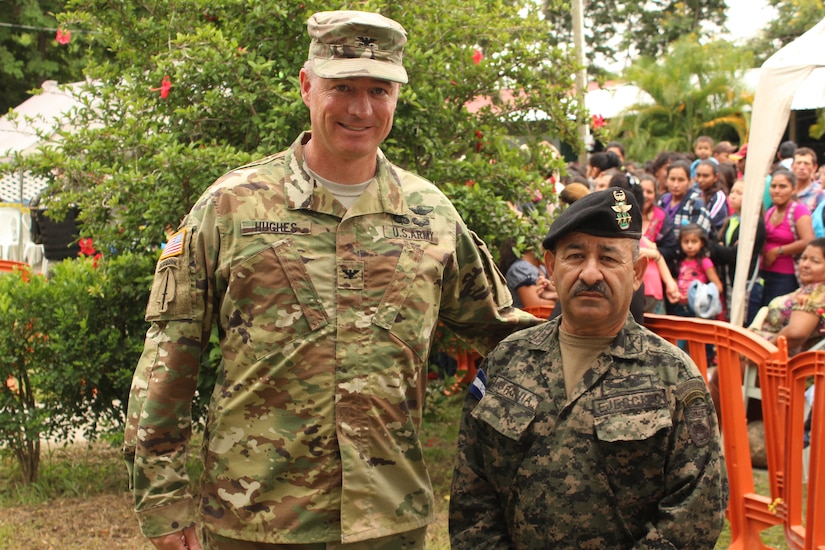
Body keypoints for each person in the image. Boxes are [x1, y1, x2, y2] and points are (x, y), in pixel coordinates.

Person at [122, 11, 541, 550]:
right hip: (256, 519)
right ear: (306, 86)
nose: (360, 108)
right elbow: (168, 360)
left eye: (378, 90)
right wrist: (162, 500)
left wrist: (612, 350)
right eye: (342, 87)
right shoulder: (231, 207)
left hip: (389, 521)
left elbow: (505, 335)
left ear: (395, 97)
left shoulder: (430, 215)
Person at [448, 188, 728, 548]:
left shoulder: (672, 375)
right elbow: (472, 495)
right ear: (550, 266)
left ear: (638, 272)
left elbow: (694, 511)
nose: (591, 273)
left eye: (610, 258)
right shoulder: (506, 362)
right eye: (575, 256)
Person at [711, 178, 767, 324]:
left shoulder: (755, 223)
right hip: (730, 280)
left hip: (747, 283)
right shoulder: (731, 220)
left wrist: (720, 248)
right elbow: (718, 253)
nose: (733, 196)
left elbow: (736, 255)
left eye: (739, 193)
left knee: (746, 323)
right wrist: (722, 249)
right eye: (733, 191)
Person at [760, 168, 814, 308]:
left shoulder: (798, 210)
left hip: (786, 276)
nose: (777, 190)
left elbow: (808, 240)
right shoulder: (770, 211)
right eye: (773, 186)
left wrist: (778, 251)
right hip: (765, 273)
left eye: (782, 186)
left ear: (793, 189)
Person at [657, 160, 712, 273]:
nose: (675, 184)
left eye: (681, 180)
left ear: (689, 181)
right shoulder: (662, 201)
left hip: (687, 266)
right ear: (666, 180)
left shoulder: (696, 203)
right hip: (663, 260)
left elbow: (700, 236)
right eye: (672, 179)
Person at [672, 223, 724, 319]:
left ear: (702, 243)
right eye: (686, 242)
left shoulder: (705, 262)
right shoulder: (679, 262)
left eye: (694, 241)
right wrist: (676, 293)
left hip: (699, 308)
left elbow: (718, 287)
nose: (690, 246)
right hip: (681, 307)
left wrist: (698, 294)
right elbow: (675, 280)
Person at [694, 159, 729, 234]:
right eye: (698, 175)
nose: (700, 180)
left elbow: (711, 221)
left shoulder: (719, 197)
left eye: (705, 176)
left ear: (716, 177)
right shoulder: (696, 193)